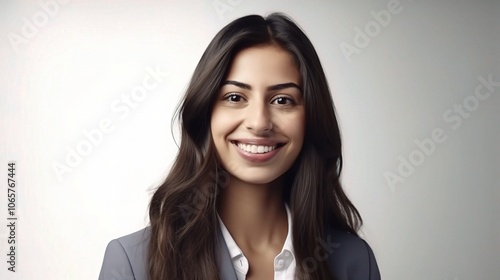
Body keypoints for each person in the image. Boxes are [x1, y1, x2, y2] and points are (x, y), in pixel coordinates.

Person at [98, 12, 380, 280]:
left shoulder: (355, 262)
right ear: (205, 111)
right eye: (235, 97)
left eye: (283, 100)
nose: (259, 123)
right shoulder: (133, 263)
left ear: (312, 118)